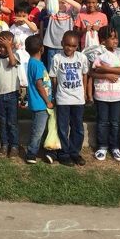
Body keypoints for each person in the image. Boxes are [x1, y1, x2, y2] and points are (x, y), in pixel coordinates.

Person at [49, 31, 89, 166]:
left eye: (73, 46)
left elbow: (84, 75)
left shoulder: (81, 58)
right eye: (67, 45)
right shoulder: (57, 58)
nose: (70, 48)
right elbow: (53, 78)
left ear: (77, 46)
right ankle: (63, 153)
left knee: (77, 127)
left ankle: (74, 152)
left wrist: (84, 92)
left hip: (78, 99)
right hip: (63, 98)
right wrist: (55, 94)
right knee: (63, 127)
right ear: (62, 44)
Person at [87, 26, 120, 162]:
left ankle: (115, 147)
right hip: (101, 94)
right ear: (103, 40)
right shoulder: (97, 54)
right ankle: (102, 146)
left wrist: (104, 68)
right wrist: (107, 74)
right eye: (112, 38)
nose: (115, 41)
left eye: (116, 37)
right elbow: (91, 72)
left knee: (115, 122)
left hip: (116, 95)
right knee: (102, 122)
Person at [0, 31, 22, 158]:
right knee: (2, 121)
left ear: (12, 45)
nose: (2, 49)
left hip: (12, 95)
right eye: (0, 45)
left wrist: (9, 48)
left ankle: (14, 145)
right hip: (0, 96)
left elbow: (12, 63)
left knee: (12, 122)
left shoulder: (15, 56)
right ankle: (4, 145)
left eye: (5, 46)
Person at [23, 35, 54, 164]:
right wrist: (47, 101)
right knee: (38, 130)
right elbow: (39, 84)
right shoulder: (37, 65)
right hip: (40, 103)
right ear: (42, 49)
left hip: (40, 103)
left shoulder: (33, 63)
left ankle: (41, 149)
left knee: (40, 128)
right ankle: (31, 153)